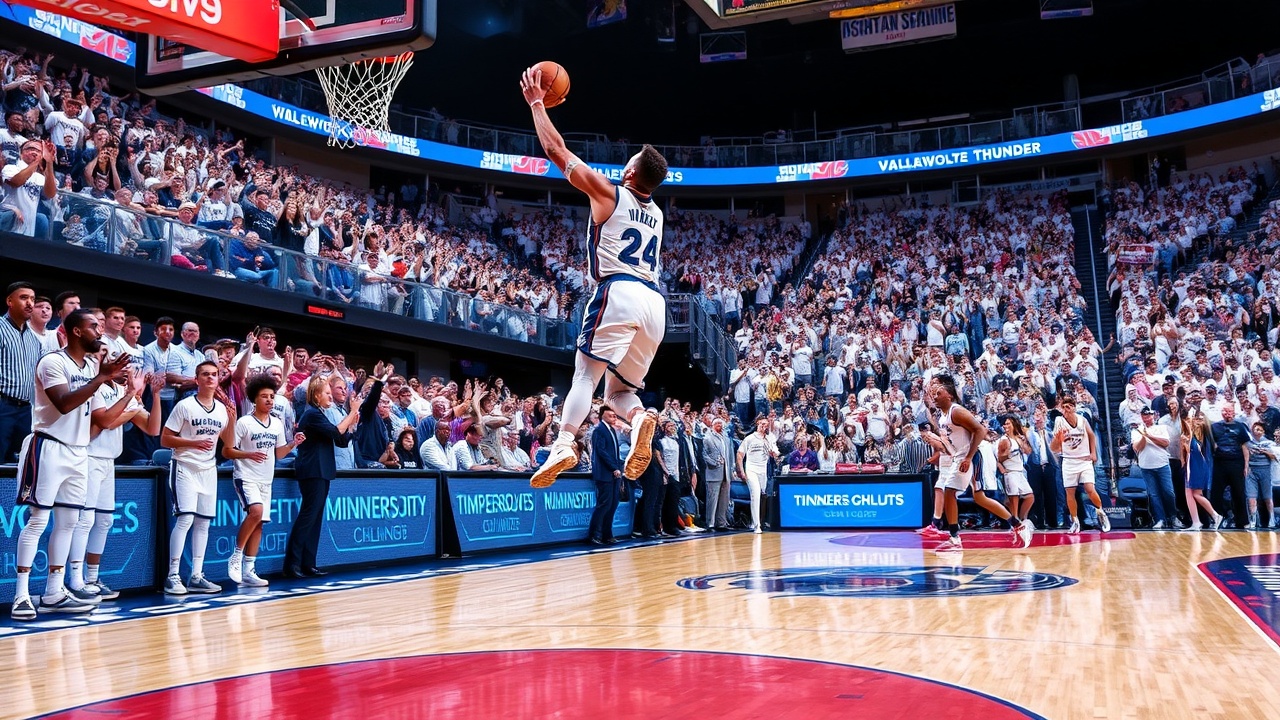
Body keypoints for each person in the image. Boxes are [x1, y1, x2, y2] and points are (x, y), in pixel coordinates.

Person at [521, 67, 671, 489]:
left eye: (629, 161)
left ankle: (564, 442)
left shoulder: (611, 192)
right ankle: (639, 420)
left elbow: (556, 150)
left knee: (585, 376)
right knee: (619, 393)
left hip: (619, 291)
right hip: (654, 306)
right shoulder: (658, 214)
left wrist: (537, 103)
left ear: (631, 173)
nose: (624, 164)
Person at [10, 310, 129, 620]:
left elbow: (100, 414)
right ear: (76, 331)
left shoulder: (90, 366)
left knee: (68, 523)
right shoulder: (52, 362)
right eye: (93, 327)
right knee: (38, 521)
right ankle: (21, 595)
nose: (99, 332)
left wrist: (116, 383)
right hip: (48, 445)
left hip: (79, 451)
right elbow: (63, 403)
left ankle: (54, 591)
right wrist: (101, 378)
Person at [68, 367, 164, 602]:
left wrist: (156, 394)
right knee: (85, 519)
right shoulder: (95, 387)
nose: (126, 370)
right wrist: (131, 403)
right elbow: (106, 422)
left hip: (109, 460)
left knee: (105, 521)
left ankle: (92, 578)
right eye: (119, 363)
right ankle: (75, 580)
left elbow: (152, 428)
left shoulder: (123, 392)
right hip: (88, 457)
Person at [921, 375, 1033, 552]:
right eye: (933, 394)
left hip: (972, 455)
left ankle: (954, 538)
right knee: (979, 498)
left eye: (938, 393)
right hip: (961, 455)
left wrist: (968, 457)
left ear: (949, 396)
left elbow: (980, 430)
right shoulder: (943, 416)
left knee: (949, 491)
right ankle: (1018, 525)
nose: (934, 397)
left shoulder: (956, 411)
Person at [161, 361, 236, 595]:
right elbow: (165, 439)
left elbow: (229, 444)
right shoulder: (184, 406)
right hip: (184, 466)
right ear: (197, 379)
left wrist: (233, 418)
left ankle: (196, 575)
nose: (210, 378)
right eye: (205, 374)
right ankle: (173, 575)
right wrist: (192, 443)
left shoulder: (222, 409)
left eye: (214, 374)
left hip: (208, 469)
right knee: (185, 519)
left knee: (203, 523)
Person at [224, 376, 305, 587]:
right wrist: (248, 455)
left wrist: (293, 444)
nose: (269, 400)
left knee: (259, 523)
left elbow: (279, 454)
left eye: (271, 396)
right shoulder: (244, 422)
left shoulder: (276, 424)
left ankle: (249, 570)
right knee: (256, 512)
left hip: (266, 480)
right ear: (254, 399)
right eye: (264, 396)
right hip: (245, 476)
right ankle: (236, 555)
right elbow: (227, 451)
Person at [288, 374, 361, 577]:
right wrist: (352, 411)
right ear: (316, 395)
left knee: (316, 518)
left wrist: (352, 424)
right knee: (308, 516)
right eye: (327, 393)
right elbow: (336, 432)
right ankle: (292, 564)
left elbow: (341, 440)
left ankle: (308, 563)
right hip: (313, 470)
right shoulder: (312, 414)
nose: (330, 397)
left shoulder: (320, 414)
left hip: (322, 471)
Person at [1049, 395, 1110, 534]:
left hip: (1084, 460)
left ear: (1074, 408)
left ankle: (1101, 512)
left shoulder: (1082, 420)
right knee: (1069, 493)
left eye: (1069, 406)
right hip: (1069, 461)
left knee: (1090, 488)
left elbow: (1092, 435)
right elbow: (1054, 448)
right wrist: (1058, 438)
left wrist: (1093, 453)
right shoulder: (1059, 421)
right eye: (1064, 407)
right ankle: (1075, 522)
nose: (1066, 409)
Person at [0, 282, 42, 465]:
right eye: (24, 298)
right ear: (10, 301)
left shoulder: (34, 340)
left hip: (25, 409)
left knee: (22, 464)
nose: (30, 303)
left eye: (32, 299)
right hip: (3, 405)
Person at [1131, 407, 1178, 529]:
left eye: (1149, 416)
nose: (1147, 418)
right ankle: (1160, 519)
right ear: (1141, 417)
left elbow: (1165, 443)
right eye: (1144, 416)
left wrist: (1148, 435)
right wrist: (1143, 436)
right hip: (1146, 466)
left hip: (1162, 464)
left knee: (1169, 492)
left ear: (1154, 416)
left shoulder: (1161, 428)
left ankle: (1173, 517)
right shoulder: (1136, 431)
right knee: (1154, 494)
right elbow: (1137, 448)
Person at [1209, 405, 1251, 528]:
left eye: (1230, 411)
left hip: (1236, 463)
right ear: (1221, 412)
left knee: (1239, 492)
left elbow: (1245, 446)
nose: (1227, 413)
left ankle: (1242, 521)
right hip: (1219, 464)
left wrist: (1246, 465)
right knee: (1216, 493)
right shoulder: (1214, 427)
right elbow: (1211, 444)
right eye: (1225, 410)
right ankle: (1216, 519)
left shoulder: (1240, 426)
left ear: (1234, 412)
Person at [588, 405, 625, 546]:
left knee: (613, 505)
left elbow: (614, 452)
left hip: (614, 474)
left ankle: (607, 534)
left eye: (615, 415)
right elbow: (601, 451)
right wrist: (613, 467)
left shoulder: (612, 430)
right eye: (611, 415)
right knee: (604, 505)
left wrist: (619, 467)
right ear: (602, 415)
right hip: (604, 473)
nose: (614, 417)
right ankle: (594, 535)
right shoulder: (599, 430)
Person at [737, 417, 780, 534]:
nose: (764, 426)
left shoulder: (769, 438)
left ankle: (758, 521)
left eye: (766, 424)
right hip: (751, 469)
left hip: (763, 471)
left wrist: (774, 454)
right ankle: (757, 525)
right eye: (762, 424)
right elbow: (740, 454)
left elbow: (775, 451)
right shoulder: (749, 438)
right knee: (755, 494)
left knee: (762, 494)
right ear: (757, 424)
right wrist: (741, 471)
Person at [1181, 411, 1223, 530]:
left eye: (1191, 419)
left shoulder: (1199, 434)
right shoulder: (1188, 435)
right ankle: (1196, 522)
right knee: (1189, 493)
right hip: (1191, 465)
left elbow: (1192, 451)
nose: (1189, 421)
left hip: (1197, 465)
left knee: (1196, 494)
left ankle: (1215, 515)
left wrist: (1185, 443)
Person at [997, 416, 1035, 525]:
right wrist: (1007, 455)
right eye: (1005, 424)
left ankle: (1021, 520)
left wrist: (1025, 440)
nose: (1006, 426)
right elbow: (998, 458)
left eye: (1008, 423)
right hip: (1010, 471)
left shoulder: (1017, 438)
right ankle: (1015, 522)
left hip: (1019, 471)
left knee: (1030, 497)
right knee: (1014, 498)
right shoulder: (1004, 440)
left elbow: (1028, 451)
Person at [701, 417, 734, 531]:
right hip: (713, 472)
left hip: (726, 473)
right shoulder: (707, 438)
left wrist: (732, 469)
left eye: (721, 423)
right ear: (712, 425)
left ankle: (721, 523)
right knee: (712, 499)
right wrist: (714, 463)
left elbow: (730, 455)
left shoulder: (726, 438)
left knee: (724, 499)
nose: (720, 425)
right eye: (717, 423)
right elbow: (704, 454)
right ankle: (710, 523)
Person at [1246, 422, 1278, 530]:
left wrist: (1265, 452)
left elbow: (1274, 457)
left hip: (1265, 470)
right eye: (1255, 429)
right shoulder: (1248, 443)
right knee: (1251, 497)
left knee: (1267, 497)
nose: (1257, 431)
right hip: (1252, 471)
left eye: (1259, 429)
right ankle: (1253, 521)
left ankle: (1272, 519)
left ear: (1263, 431)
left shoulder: (1270, 443)